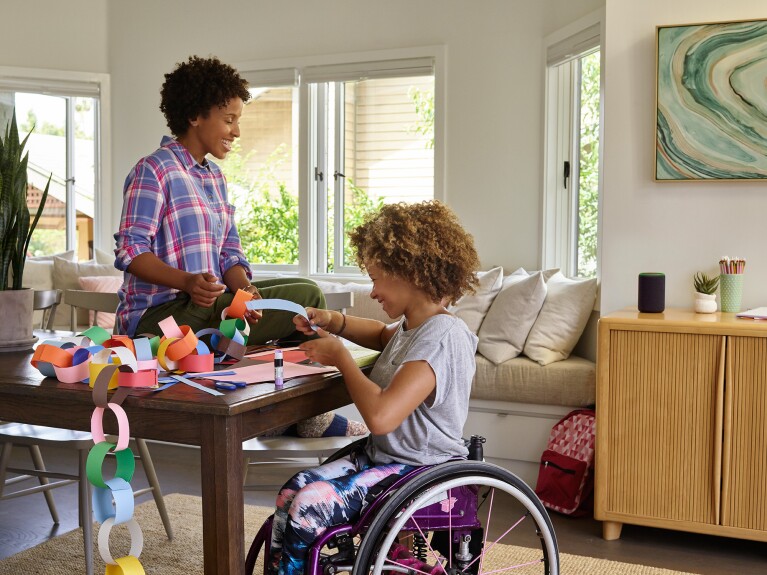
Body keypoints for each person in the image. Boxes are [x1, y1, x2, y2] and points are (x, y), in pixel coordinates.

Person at [266, 200, 481, 575]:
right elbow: (381, 335)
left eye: (377, 277)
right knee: (292, 491)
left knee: (310, 504)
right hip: (385, 460)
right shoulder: (414, 327)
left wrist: (341, 359)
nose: (374, 289)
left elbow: (381, 416)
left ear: (410, 272)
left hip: (419, 468)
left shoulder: (443, 336)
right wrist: (334, 320)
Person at [113, 55, 324, 344]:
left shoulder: (215, 177)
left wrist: (245, 289)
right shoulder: (154, 170)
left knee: (306, 290)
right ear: (195, 116)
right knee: (305, 298)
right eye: (229, 120)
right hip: (159, 320)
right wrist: (187, 282)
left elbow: (228, 249)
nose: (236, 132)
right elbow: (130, 249)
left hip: (207, 308)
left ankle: (286, 378)